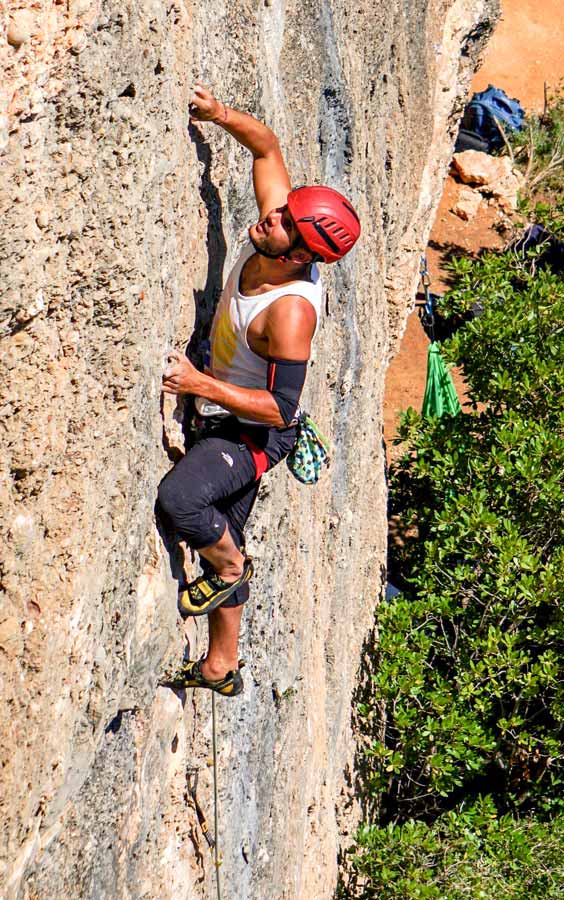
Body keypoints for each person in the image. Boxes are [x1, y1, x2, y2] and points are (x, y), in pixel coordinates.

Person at [157, 84, 360, 697]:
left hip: (250, 435)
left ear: (299, 254)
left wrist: (198, 383)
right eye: (280, 211)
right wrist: (220, 116)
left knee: (184, 503)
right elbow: (265, 146)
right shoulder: (280, 229)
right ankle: (222, 665)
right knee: (224, 530)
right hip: (224, 412)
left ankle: (230, 567)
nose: (268, 216)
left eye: (282, 223)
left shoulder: (291, 312)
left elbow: (282, 407)